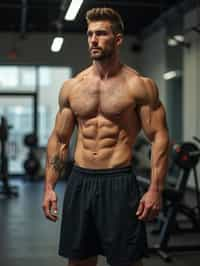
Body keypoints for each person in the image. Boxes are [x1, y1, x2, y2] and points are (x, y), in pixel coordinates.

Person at [42, 7, 169, 266]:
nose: (93, 40)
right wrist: (49, 186)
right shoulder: (73, 87)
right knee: (78, 260)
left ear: (118, 39)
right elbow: (60, 139)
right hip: (80, 180)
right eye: (90, 34)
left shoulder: (139, 85)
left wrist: (155, 188)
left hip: (119, 182)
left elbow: (159, 137)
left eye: (101, 33)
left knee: (126, 261)